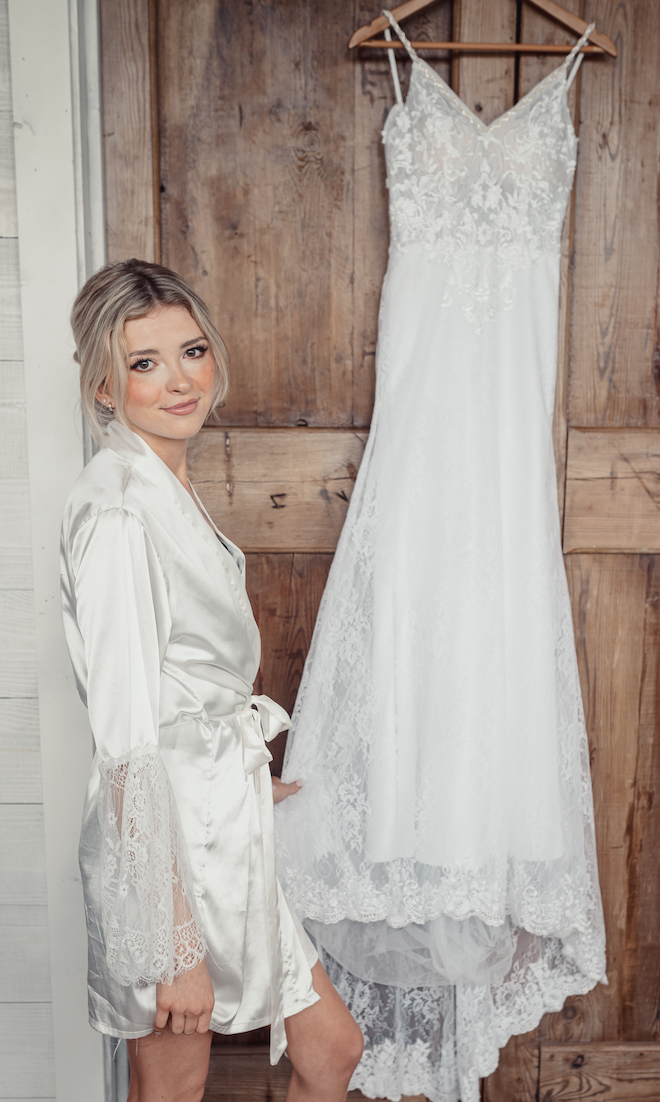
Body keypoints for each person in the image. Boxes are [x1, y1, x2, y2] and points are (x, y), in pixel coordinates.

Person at [60, 259, 363, 1102]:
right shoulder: (119, 514)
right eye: (144, 364)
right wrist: (172, 944)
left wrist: (242, 779)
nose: (180, 380)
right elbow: (125, 742)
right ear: (104, 386)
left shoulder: (165, 485)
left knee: (331, 1051)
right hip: (165, 861)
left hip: (222, 825)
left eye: (191, 351)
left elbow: (183, 685)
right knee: (174, 1087)